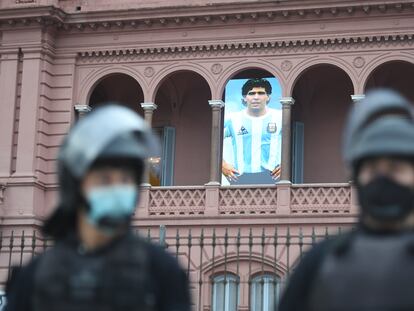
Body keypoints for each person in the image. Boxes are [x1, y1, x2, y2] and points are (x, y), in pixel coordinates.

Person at [5, 104, 191, 311]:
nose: (117, 188)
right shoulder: (35, 277)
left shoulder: (162, 271)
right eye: (104, 179)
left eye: (125, 179)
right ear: (76, 185)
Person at [279, 89, 414, 311]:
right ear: (356, 177)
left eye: (395, 168)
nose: (382, 179)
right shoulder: (320, 263)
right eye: (371, 169)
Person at [222, 78, 282, 184]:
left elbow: (296, 139)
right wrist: (221, 164)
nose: (256, 97)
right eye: (251, 93)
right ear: (245, 98)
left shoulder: (280, 117)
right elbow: (212, 138)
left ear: (268, 97)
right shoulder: (233, 119)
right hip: (240, 178)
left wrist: (287, 165)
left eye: (261, 93)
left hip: (272, 178)